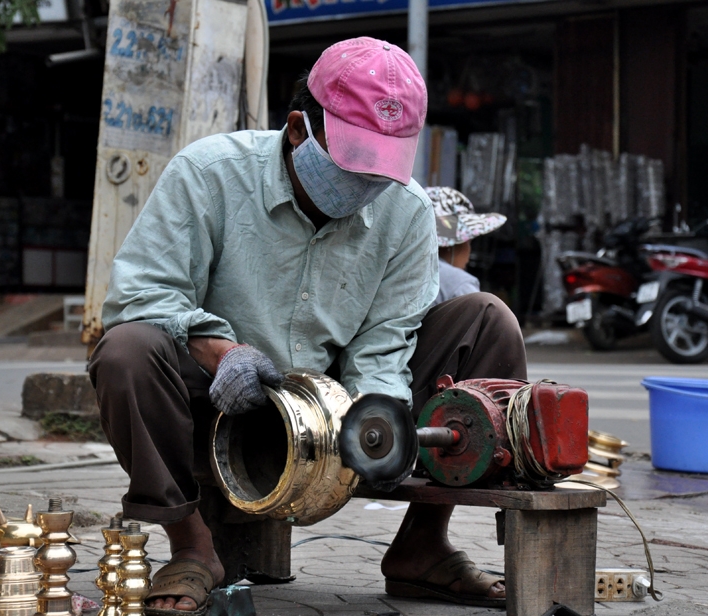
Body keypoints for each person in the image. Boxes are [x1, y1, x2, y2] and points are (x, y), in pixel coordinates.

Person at [88, 36, 527, 614]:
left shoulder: (408, 210)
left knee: (489, 322)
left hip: (335, 402)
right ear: (299, 128)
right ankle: (192, 546)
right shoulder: (209, 173)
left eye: (380, 171)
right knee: (125, 350)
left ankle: (423, 546)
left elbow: (387, 338)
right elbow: (141, 294)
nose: (366, 185)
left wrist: (380, 412)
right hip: (216, 398)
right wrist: (220, 350)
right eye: (352, 165)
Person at [426, 186, 507, 304]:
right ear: (451, 245)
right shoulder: (458, 284)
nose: (469, 250)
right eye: (469, 242)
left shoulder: (397, 270)